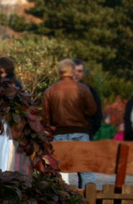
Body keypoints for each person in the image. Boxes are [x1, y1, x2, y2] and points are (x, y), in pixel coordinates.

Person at [41, 58, 98, 188]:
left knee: (60, 171)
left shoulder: (50, 90)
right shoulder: (82, 89)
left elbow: (45, 117)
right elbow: (92, 110)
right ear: (72, 71)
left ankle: (62, 201)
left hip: (59, 133)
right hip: (80, 132)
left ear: (59, 72)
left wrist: (51, 125)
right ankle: (88, 201)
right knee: (86, 170)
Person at [73, 59, 103, 140]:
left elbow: (97, 114)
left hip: (84, 134)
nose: (76, 73)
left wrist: (90, 132)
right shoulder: (58, 90)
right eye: (74, 70)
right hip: (62, 134)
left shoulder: (90, 91)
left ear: (83, 73)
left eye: (79, 71)